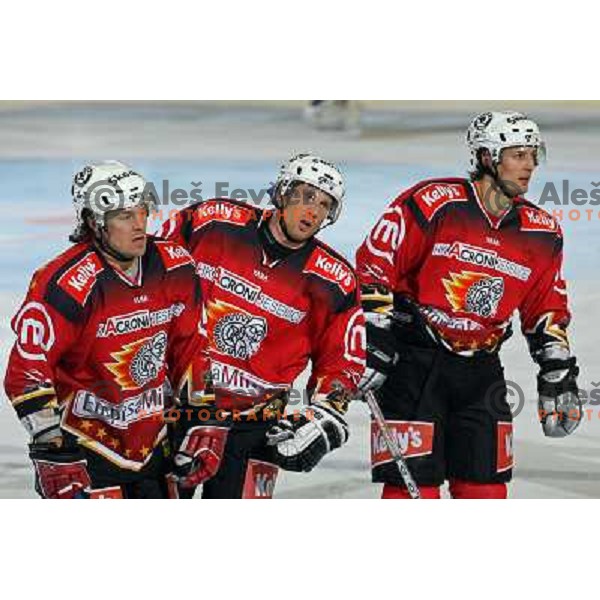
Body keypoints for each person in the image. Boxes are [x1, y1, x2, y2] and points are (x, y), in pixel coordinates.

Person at [356, 111, 582, 499]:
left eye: (533, 154)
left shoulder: (541, 231)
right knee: (412, 493)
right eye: (517, 154)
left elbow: (545, 307)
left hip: (481, 375)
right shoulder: (432, 202)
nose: (529, 165)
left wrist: (556, 368)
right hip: (414, 366)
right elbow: (376, 265)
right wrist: (374, 340)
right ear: (486, 157)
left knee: (486, 491)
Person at [3, 160, 220, 499]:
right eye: (123, 216)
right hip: (88, 449)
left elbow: (191, 348)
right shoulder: (64, 283)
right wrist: (49, 445)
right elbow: (27, 371)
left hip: (156, 447)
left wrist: (202, 416)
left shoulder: (173, 264)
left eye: (142, 211)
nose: (139, 225)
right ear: (94, 222)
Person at [161, 153, 366, 498]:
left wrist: (329, 410)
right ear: (283, 193)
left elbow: (344, 361)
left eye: (324, 203)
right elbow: (150, 278)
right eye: (305, 196)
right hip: (176, 409)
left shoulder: (334, 280)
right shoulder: (211, 223)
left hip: (254, 426)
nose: (313, 210)